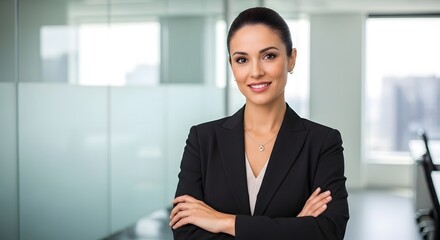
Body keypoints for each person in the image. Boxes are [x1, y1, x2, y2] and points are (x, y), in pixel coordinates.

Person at [169, 6, 349, 240]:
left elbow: (328, 232)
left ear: (291, 59)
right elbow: (185, 232)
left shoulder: (322, 143)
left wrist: (223, 221)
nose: (255, 72)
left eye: (269, 56)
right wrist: (294, 227)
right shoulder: (202, 140)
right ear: (232, 65)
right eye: (242, 59)